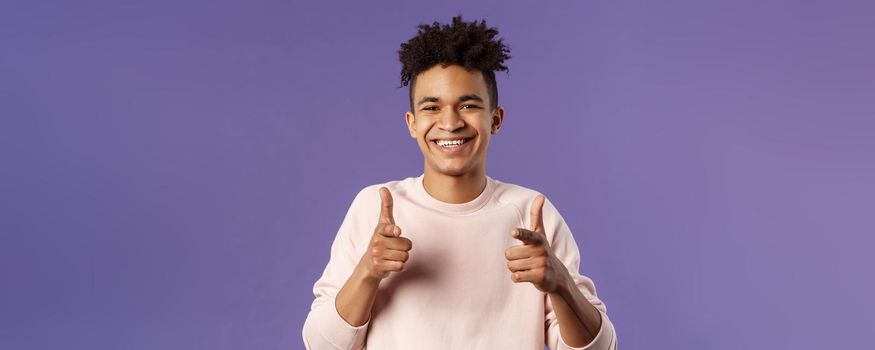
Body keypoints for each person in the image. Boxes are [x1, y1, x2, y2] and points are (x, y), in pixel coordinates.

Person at [302, 15, 617, 350]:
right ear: (412, 123)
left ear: (495, 119)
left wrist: (561, 286)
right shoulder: (374, 208)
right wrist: (367, 271)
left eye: (468, 105)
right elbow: (320, 345)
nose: (450, 123)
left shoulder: (532, 214)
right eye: (432, 107)